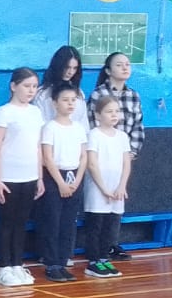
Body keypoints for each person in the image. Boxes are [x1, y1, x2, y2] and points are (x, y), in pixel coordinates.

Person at [0, 68, 45, 286]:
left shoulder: (36, 112)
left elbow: (37, 147)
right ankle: (3, 268)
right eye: (26, 86)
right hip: (8, 176)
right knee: (7, 222)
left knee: (21, 223)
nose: (31, 91)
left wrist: (39, 177)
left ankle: (17, 265)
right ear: (13, 86)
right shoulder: (4, 112)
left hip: (29, 176)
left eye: (34, 87)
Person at [88, 52, 143, 261]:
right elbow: (91, 124)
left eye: (128, 64)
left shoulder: (134, 95)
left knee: (117, 205)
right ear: (108, 70)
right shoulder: (98, 94)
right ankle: (96, 255)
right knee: (99, 209)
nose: (125, 67)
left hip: (122, 156)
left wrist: (130, 153)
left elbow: (138, 126)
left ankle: (111, 245)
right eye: (119, 65)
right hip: (101, 157)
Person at [37, 85, 89, 283]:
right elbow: (48, 157)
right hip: (54, 176)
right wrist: (60, 182)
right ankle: (52, 263)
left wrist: (77, 180)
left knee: (68, 222)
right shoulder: (50, 127)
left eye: (73, 100)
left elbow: (83, 156)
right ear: (55, 103)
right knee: (53, 220)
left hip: (74, 176)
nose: (70, 104)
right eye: (65, 100)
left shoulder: (78, 128)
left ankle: (63, 259)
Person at [83, 96, 131, 279]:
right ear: (98, 115)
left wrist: (122, 186)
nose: (114, 115)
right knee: (96, 226)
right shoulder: (94, 135)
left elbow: (126, 164)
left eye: (116, 111)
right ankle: (93, 261)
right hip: (98, 189)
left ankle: (104, 257)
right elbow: (92, 164)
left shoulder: (122, 136)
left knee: (111, 226)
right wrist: (103, 189)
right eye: (109, 111)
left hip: (117, 190)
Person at [34, 45, 88, 125]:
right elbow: (39, 123)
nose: (71, 72)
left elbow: (84, 123)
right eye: (67, 67)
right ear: (58, 66)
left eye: (75, 68)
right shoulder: (42, 94)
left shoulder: (79, 93)